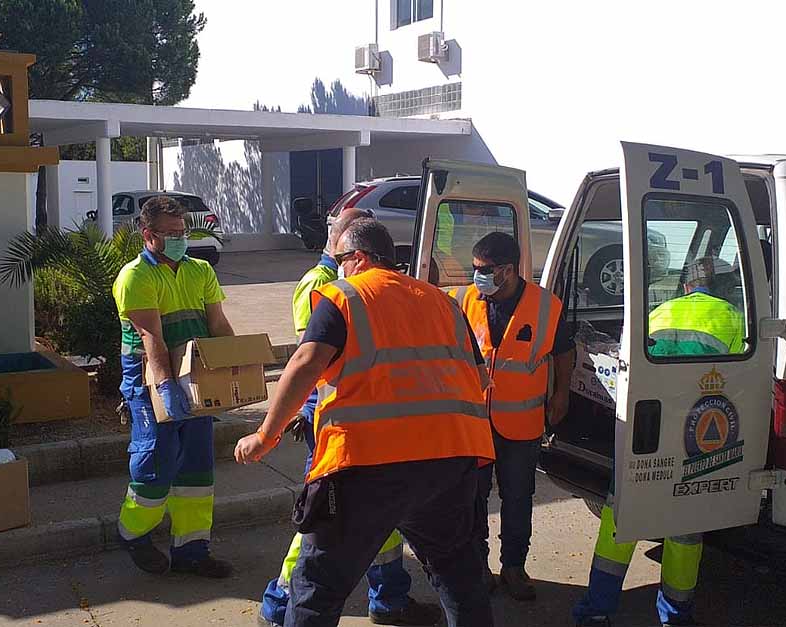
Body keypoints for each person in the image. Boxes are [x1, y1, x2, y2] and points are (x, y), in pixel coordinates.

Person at [235, 219, 496, 627]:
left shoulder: (345, 296)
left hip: (366, 464)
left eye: (340, 259)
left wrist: (265, 435)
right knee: (458, 575)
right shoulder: (444, 302)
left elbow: (305, 364)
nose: (338, 268)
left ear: (357, 258)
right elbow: (480, 379)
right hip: (450, 459)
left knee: (318, 585)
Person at [259, 210, 441, 627]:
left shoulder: (357, 284)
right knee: (319, 519)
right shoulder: (322, 285)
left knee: (383, 519)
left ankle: (389, 596)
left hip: (369, 418)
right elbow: (314, 364)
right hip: (334, 421)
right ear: (347, 244)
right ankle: (279, 603)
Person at [574, 256, 745, 627]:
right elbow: (738, 381)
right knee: (685, 529)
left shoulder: (660, 311)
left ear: (686, 287)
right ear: (723, 290)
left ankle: (596, 610)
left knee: (620, 519)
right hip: (695, 434)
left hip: (644, 431)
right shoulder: (733, 318)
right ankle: (674, 617)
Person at [112, 195, 236, 579]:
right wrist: (166, 388)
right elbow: (151, 338)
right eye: (171, 233)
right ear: (148, 235)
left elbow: (217, 324)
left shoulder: (200, 270)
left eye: (183, 231)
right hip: (149, 377)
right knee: (156, 461)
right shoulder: (136, 276)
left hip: (195, 373)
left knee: (197, 469)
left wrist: (235, 367)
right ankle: (132, 532)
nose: (181, 239)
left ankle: (192, 551)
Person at [448, 232, 576, 601]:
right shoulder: (464, 300)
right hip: (473, 423)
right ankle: (478, 567)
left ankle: (514, 567)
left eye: (484, 270)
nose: (477, 277)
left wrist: (561, 392)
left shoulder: (545, 306)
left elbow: (564, 350)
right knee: (472, 499)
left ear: (507, 270)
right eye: (474, 269)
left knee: (518, 498)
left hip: (520, 425)